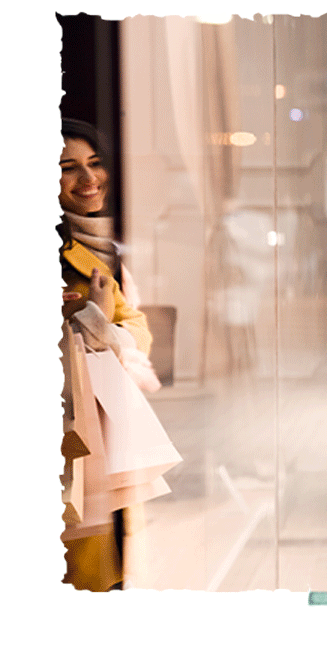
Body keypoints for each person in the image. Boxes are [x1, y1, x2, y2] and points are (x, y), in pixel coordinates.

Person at [59, 118, 158, 590]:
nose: (88, 178)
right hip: (69, 442)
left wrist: (105, 328)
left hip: (108, 433)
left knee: (110, 561)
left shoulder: (107, 247)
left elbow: (138, 329)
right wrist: (101, 323)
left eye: (95, 163)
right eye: (68, 168)